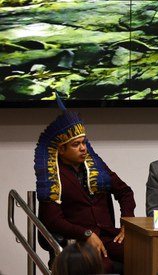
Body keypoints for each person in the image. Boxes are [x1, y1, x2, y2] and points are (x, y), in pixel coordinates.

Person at [35, 99, 135, 273]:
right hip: (77, 243)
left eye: (83, 142)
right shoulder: (51, 174)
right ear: (61, 149)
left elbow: (125, 192)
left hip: (108, 236)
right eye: (76, 144)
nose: (83, 148)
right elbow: (53, 221)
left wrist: (127, 220)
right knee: (101, 267)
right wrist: (85, 233)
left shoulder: (96, 165)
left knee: (144, 255)